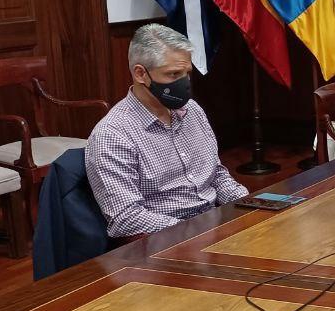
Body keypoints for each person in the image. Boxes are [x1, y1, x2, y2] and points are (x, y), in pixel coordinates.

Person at [85, 24, 249, 238]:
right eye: (173, 74)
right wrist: (195, 232)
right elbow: (126, 218)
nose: (184, 83)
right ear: (140, 73)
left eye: (187, 74)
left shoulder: (192, 110)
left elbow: (215, 175)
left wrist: (248, 204)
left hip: (214, 225)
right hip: (165, 243)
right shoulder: (113, 135)